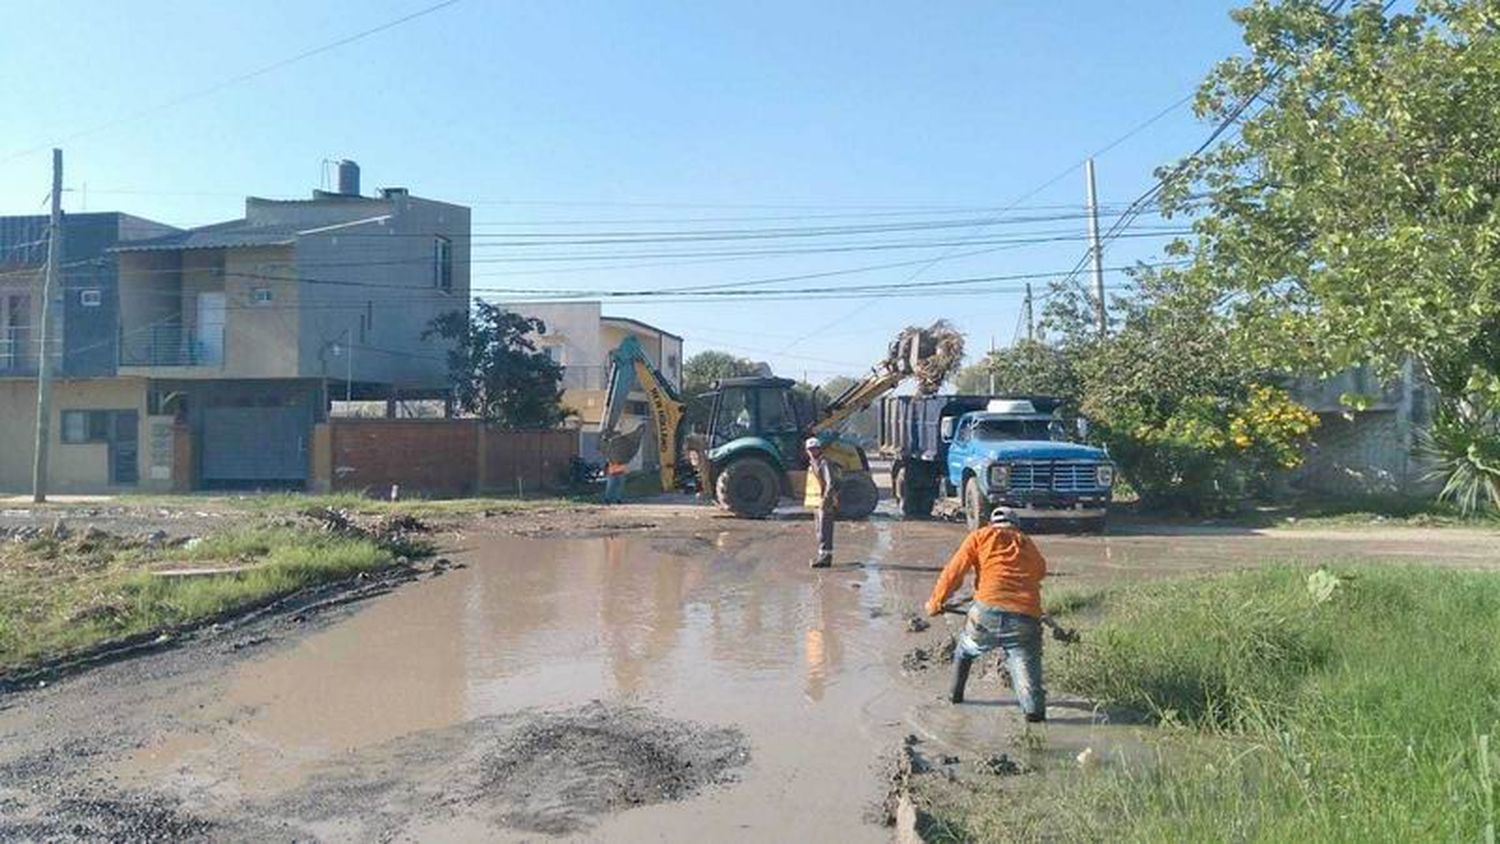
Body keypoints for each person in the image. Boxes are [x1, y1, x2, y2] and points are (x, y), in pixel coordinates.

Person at [925, 506, 1049, 722]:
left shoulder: (980, 537)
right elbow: (1039, 572)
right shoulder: (1026, 543)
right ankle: (1034, 718)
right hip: (1025, 619)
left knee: (965, 650)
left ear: (992, 524)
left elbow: (954, 572)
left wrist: (936, 602)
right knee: (1029, 683)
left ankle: (955, 698)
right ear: (1016, 526)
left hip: (985, 616)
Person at [805, 436, 840, 568]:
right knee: (820, 530)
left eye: (815, 449)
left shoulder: (824, 463)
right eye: (810, 449)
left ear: (819, 449)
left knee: (825, 530)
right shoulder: (813, 463)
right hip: (817, 502)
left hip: (825, 502)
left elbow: (831, 483)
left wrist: (827, 499)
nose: (812, 451)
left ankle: (826, 558)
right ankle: (822, 555)